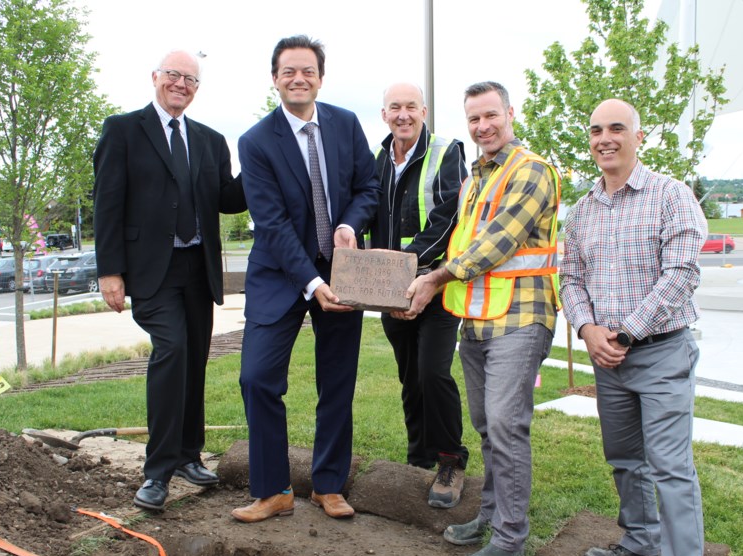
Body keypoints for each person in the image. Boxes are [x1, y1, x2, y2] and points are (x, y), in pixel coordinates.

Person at [559, 98, 707, 556]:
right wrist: (587, 330)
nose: (605, 138)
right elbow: (569, 279)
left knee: (669, 467)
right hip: (608, 357)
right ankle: (641, 548)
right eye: (596, 129)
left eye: (616, 128)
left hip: (661, 351)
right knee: (624, 457)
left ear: (637, 136)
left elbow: (683, 274)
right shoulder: (583, 211)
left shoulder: (671, 196)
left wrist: (624, 331)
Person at [403, 82, 561, 556]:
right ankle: (491, 515)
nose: (483, 126)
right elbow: (457, 242)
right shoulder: (475, 178)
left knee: (506, 426)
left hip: (521, 316)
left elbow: (496, 244)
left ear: (510, 113)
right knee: (488, 426)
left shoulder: (532, 170)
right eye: (473, 119)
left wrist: (429, 282)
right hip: (476, 319)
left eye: (490, 115)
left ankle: (510, 538)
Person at [231, 35, 378, 523]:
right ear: (275, 78)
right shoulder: (254, 142)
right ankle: (273, 489)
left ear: (320, 76)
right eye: (289, 71)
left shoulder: (346, 124)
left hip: (345, 268)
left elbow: (368, 187)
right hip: (280, 276)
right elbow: (271, 224)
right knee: (256, 378)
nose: (299, 79)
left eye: (307, 71)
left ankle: (329, 485)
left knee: (337, 382)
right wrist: (314, 284)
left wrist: (349, 224)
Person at [93, 50, 246, 511]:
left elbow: (226, 198)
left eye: (191, 79)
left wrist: (264, 164)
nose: (181, 84)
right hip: (150, 271)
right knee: (172, 351)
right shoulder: (122, 130)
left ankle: (187, 456)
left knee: (194, 358)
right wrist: (109, 271)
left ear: (197, 88)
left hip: (197, 271)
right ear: (155, 77)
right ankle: (157, 471)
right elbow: (107, 204)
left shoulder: (210, 140)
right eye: (174, 75)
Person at [369, 82, 469, 508]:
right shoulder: (377, 159)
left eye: (411, 107)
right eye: (395, 107)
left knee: (433, 373)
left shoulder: (447, 152)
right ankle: (419, 458)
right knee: (410, 377)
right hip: (393, 290)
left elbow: (450, 216)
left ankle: (450, 460)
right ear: (384, 114)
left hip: (436, 286)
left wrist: (408, 268)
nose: (403, 114)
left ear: (424, 111)